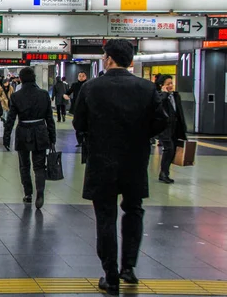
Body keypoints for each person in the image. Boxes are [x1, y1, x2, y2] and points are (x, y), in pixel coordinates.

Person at [73, 39, 167, 295]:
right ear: (130, 61)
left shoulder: (91, 87)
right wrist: (139, 135)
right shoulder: (146, 88)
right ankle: (129, 268)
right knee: (134, 210)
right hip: (135, 161)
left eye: (104, 56)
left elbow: (79, 123)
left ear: (109, 59)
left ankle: (110, 275)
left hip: (101, 160)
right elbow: (161, 121)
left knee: (105, 216)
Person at [4, 67, 56, 208]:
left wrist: (6, 136)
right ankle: (40, 192)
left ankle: (28, 194)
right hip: (40, 130)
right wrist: (53, 138)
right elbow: (49, 119)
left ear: (20, 79)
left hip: (23, 132)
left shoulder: (16, 96)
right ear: (34, 78)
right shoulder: (44, 94)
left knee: (24, 165)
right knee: (39, 166)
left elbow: (11, 118)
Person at [156, 74, 187, 184]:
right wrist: (164, 93)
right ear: (162, 85)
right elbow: (158, 104)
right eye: (167, 84)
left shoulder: (175, 95)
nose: (170, 85)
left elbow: (179, 112)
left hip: (175, 127)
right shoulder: (159, 95)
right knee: (169, 148)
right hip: (164, 128)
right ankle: (163, 174)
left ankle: (165, 172)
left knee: (172, 150)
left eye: (171, 83)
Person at [65, 71, 88, 147]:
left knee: (87, 125)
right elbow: (67, 93)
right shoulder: (74, 85)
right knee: (77, 125)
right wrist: (69, 99)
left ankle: (86, 141)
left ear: (86, 77)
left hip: (87, 108)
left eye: (83, 76)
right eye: (79, 76)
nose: (81, 77)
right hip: (77, 108)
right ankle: (80, 142)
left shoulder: (88, 84)